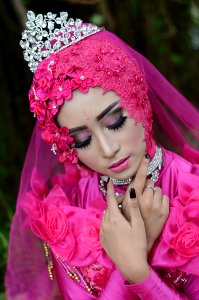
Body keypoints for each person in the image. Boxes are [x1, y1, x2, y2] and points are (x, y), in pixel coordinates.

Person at [5, 10, 199, 300]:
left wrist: (139, 271)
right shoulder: (68, 210)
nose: (108, 150)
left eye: (115, 122)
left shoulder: (192, 194)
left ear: (139, 101)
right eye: (82, 140)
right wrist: (136, 254)